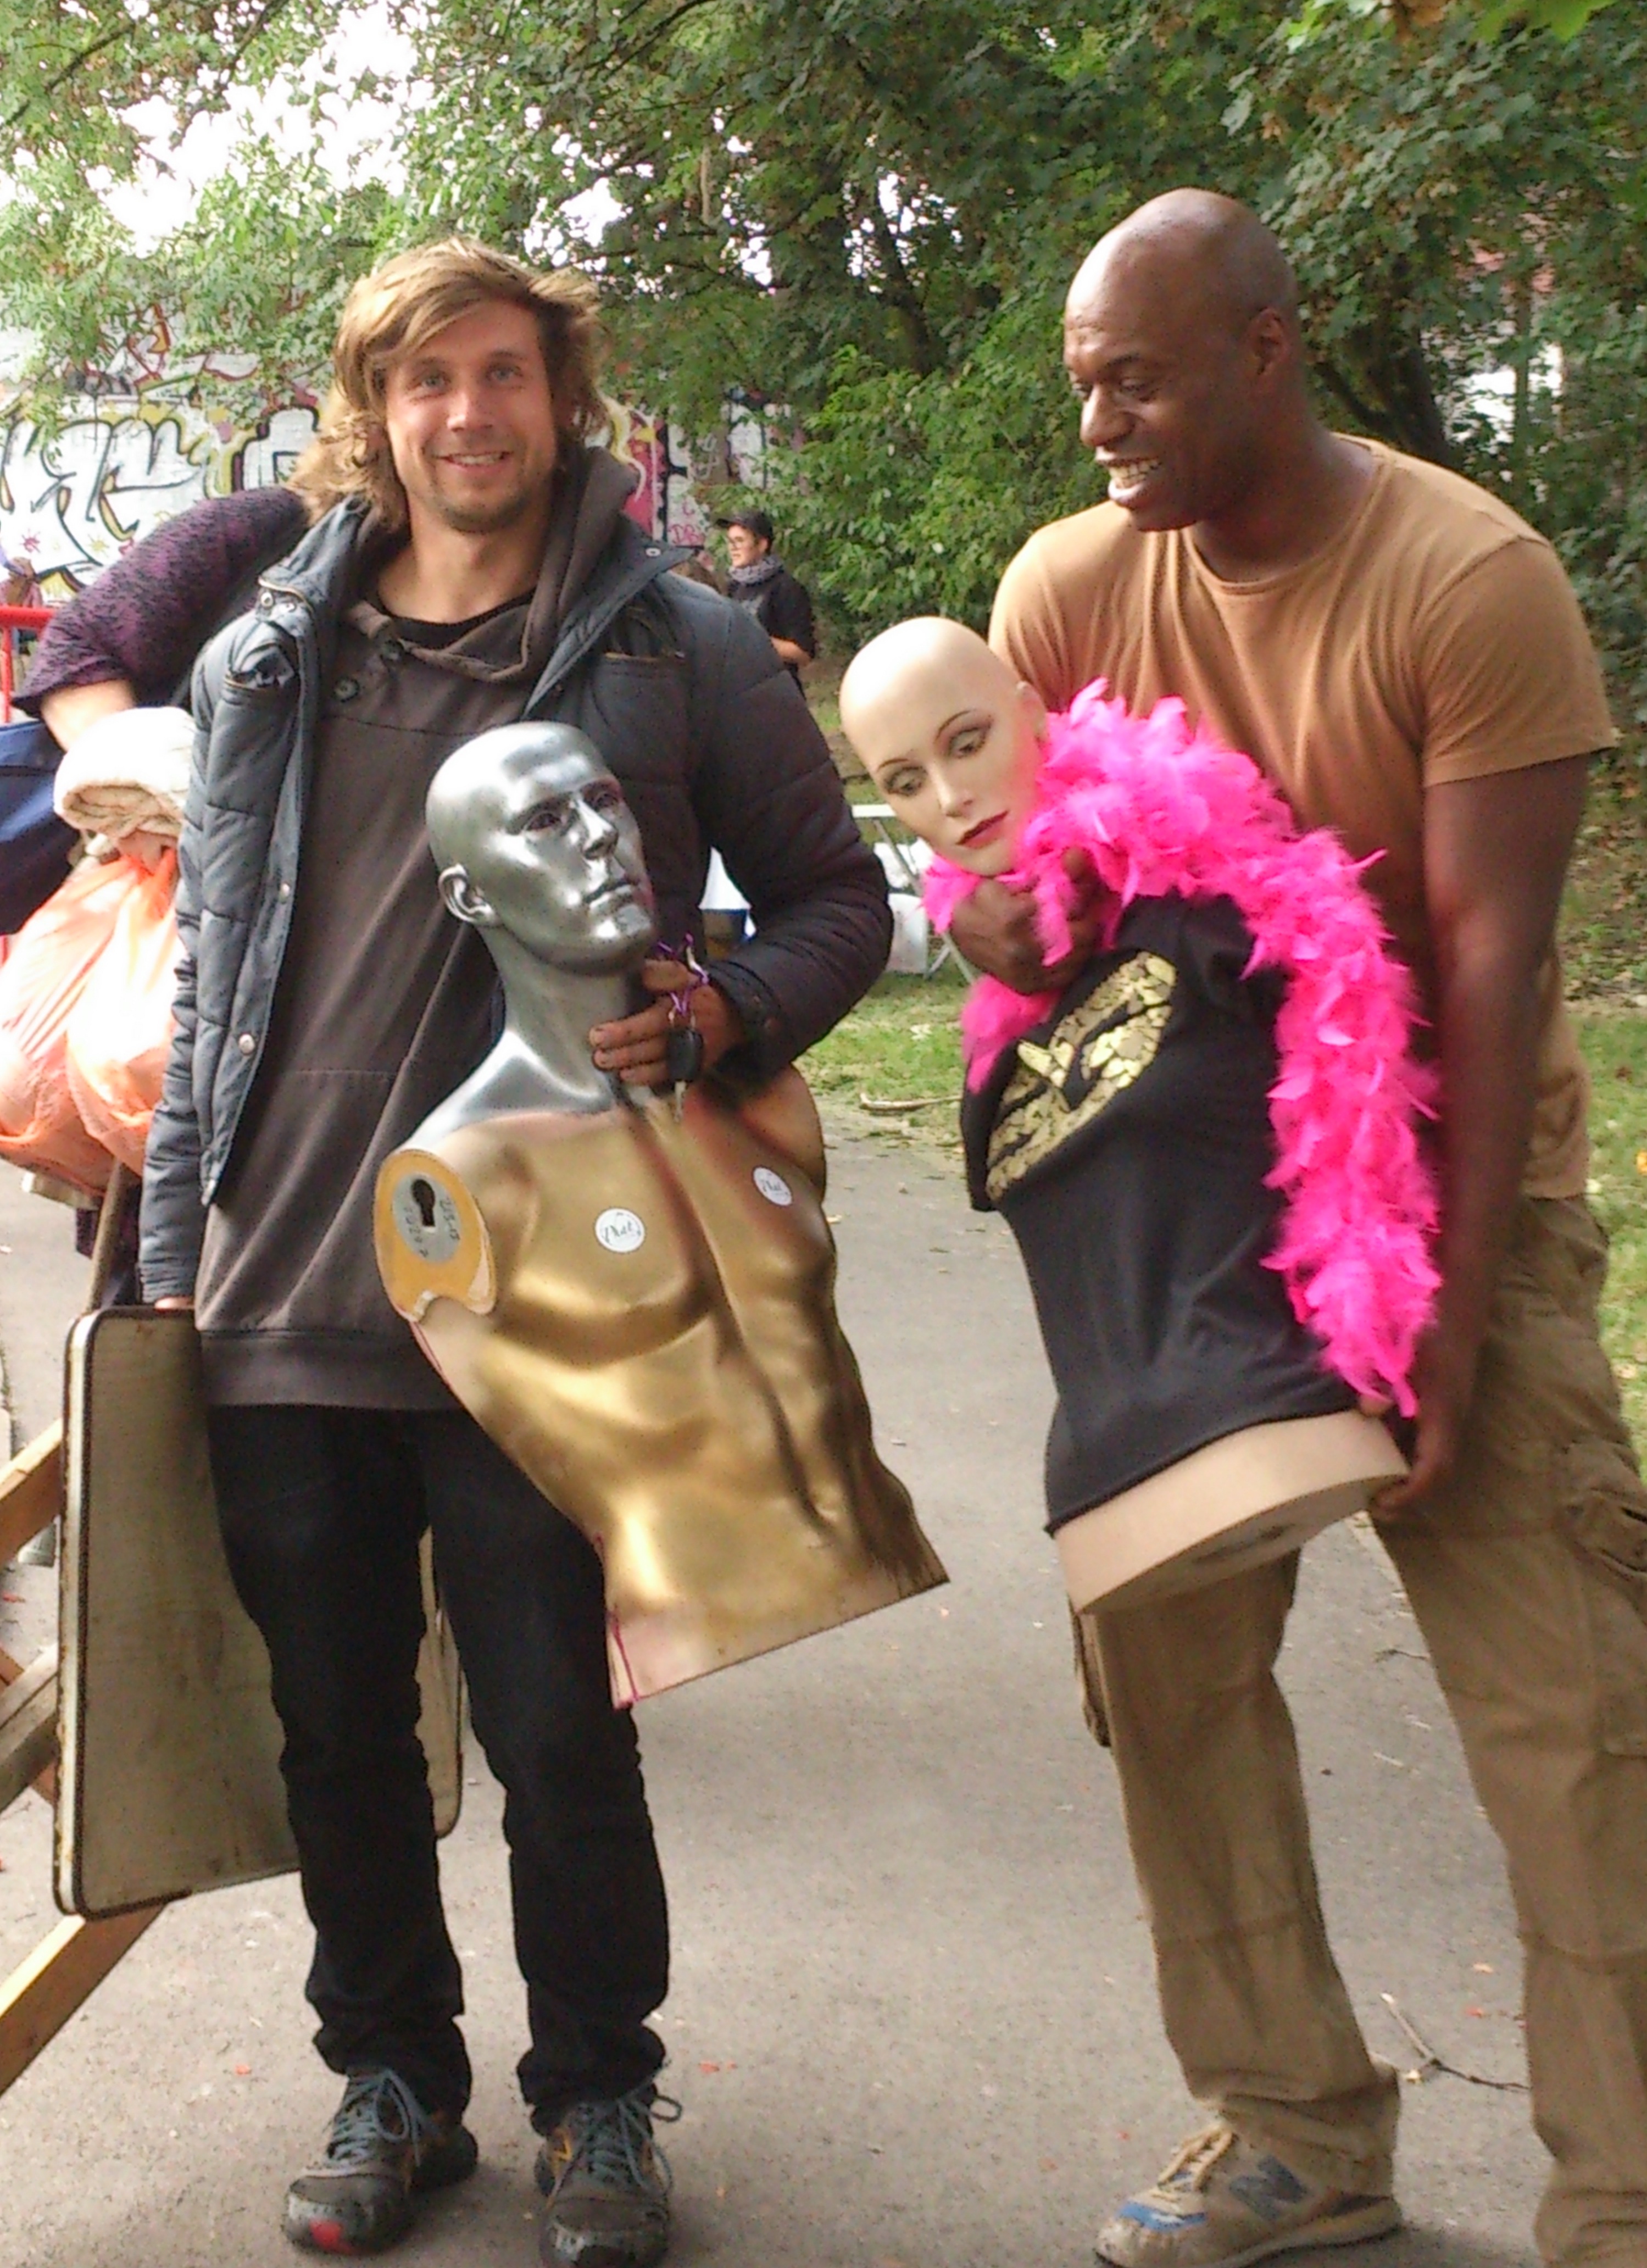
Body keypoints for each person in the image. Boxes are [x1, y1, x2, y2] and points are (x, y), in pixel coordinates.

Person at [25, 237, 889, 2268]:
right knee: (332, 1733)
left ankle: (599, 2097)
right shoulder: (262, 660)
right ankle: (390, 2079)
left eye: (502, 373)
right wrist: (173, 1257)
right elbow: (216, 970)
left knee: (558, 1725)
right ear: (374, 410)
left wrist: (718, 1010)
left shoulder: (676, 645)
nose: (467, 414)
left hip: (546, 1283)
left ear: (559, 396)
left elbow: (839, 902)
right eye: (425, 381)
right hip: (279, 1279)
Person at [961, 189, 1645, 2268]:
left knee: (1576, 1721)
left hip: (1458, 1201)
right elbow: (1028, 898)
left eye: (1135, 380)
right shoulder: (1069, 587)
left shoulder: (1466, 579)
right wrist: (995, 921)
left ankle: (1624, 2190)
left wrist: (1447, 1314)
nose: (1099, 423)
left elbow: (1489, 965)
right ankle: (1291, 2128)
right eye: (1081, 386)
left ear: (1267, 350)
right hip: (1183, 1234)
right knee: (1165, 1684)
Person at [723, 509, 815, 683]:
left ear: (762, 545)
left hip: (776, 689)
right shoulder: (734, 586)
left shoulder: (786, 587)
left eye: (740, 541)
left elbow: (803, 654)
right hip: (739, 688)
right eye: (730, 541)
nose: (732, 548)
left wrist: (751, 639)